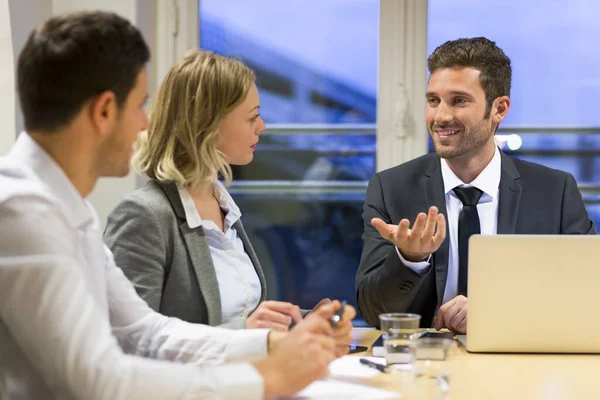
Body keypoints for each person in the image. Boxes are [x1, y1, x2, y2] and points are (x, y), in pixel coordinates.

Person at [0, 11, 354, 400]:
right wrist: (266, 380)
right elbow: (98, 378)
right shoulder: (21, 212)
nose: (145, 125)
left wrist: (272, 346)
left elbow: (145, 332)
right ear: (103, 112)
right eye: (139, 106)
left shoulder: (69, 208)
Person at [356, 37, 594, 334]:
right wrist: (411, 260)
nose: (440, 116)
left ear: (499, 109)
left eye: (459, 100)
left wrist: (495, 310)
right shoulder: (391, 188)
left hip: (518, 358)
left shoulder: (554, 191)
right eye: (433, 100)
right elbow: (373, 312)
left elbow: (586, 298)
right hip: (425, 365)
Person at [103, 49, 329, 331]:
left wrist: (305, 321)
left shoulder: (222, 204)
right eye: (252, 117)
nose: (262, 126)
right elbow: (131, 341)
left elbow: (242, 315)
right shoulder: (143, 216)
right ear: (208, 124)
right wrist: (243, 334)